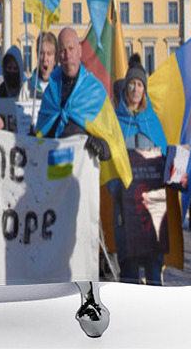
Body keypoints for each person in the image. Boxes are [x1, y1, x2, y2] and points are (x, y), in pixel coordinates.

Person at [111, 54, 172, 286]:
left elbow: (164, 163)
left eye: (139, 85)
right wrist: (118, 189)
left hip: (151, 210)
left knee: (154, 272)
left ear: (144, 90)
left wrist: (174, 171)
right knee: (129, 273)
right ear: (126, 88)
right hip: (125, 211)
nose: (135, 89)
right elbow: (109, 168)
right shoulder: (116, 123)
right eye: (132, 84)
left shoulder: (152, 122)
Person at [34, 27, 113, 161]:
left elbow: (112, 141)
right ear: (59, 56)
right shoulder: (51, 90)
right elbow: (40, 134)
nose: (68, 56)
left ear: (80, 51)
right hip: (56, 172)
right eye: (63, 51)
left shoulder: (95, 90)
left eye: (71, 49)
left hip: (83, 175)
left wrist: (101, 146)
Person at [19, 31, 57, 102]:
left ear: (55, 58)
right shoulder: (27, 88)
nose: (45, 59)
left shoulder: (62, 87)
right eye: (41, 53)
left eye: (49, 54)